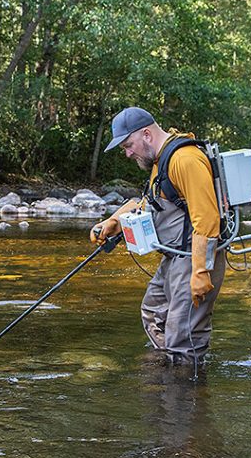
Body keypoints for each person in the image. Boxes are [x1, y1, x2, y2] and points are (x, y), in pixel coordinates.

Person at [90, 107, 227, 364]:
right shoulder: (161, 160)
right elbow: (149, 203)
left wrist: (201, 271)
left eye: (129, 145)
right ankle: (168, 372)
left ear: (146, 134)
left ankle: (185, 392)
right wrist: (114, 221)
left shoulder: (184, 159)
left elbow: (206, 220)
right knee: (153, 311)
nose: (128, 153)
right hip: (175, 257)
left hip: (194, 258)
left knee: (183, 334)